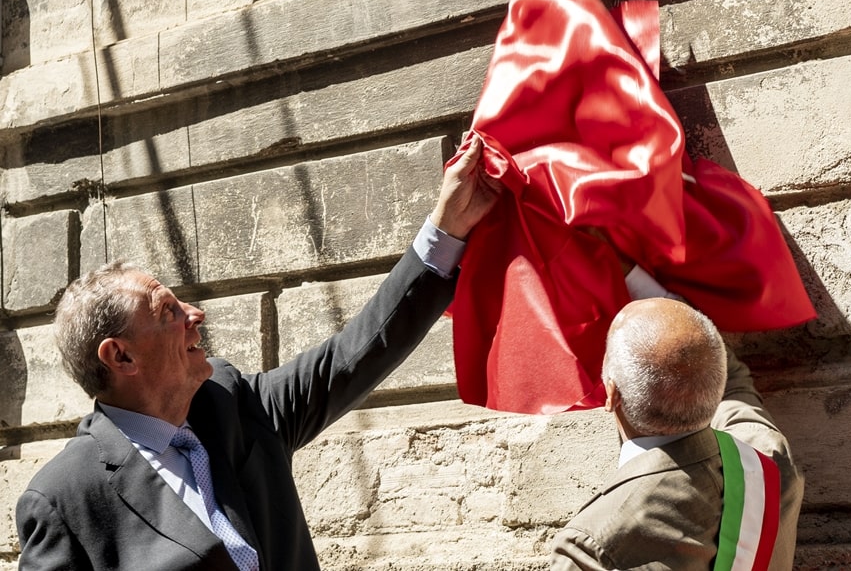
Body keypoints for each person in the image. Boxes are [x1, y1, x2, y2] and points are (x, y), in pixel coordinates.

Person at [16, 136, 500, 571]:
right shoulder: (65, 498)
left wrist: (447, 226)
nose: (195, 313)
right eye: (167, 312)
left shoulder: (232, 403)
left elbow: (354, 355)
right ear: (120, 357)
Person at [550, 274, 804, 571]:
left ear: (611, 395)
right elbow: (731, 381)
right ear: (715, 384)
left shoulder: (592, 546)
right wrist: (633, 274)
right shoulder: (768, 456)